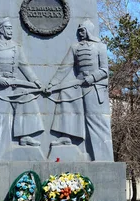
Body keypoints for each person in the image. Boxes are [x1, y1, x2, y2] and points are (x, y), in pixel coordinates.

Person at [46, 20, 114, 161]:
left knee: (94, 119)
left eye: (82, 30)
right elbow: (64, 68)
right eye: (79, 31)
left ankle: (101, 157)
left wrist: (93, 78)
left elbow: (104, 70)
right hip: (78, 84)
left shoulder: (100, 47)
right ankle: (66, 135)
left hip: (93, 86)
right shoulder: (75, 47)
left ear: (89, 31)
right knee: (64, 95)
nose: (80, 33)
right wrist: (52, 84)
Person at [0, 18, 44, 161]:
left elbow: (25, 66)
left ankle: (25, 136)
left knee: (27, 99)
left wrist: (35, 81)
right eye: (8, 28)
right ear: (1, 30)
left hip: (14, 85)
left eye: (11, 28)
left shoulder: (16, 47)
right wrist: (0, 80)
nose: (11, 31)